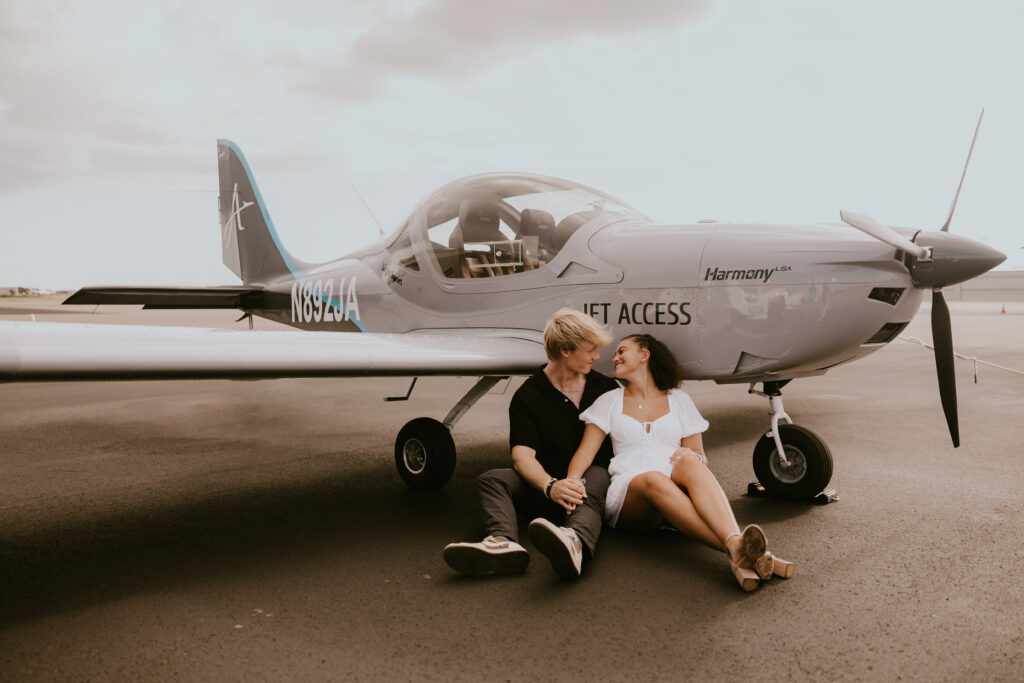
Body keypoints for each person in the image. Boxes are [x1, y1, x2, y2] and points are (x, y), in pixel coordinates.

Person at [566, 333, 794, 591]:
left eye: (622, 351)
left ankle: (736, 546)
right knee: (654, 478)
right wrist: (572, 480)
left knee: (690, 462)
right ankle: (737, 547)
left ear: (644, 354)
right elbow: (585, 453)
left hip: (675, 486)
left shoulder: (679, 400)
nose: (614, 358)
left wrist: (693, 456)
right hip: (631, 493)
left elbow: (699, 454)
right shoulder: (609, 401)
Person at [443, 308, 618, 579]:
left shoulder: (606, 388)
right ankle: (503, 542)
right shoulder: (528, 396)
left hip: (588, 485)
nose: (597, 356)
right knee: (492, 479)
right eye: (591, 350)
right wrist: (551, 486)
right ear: (565, 351)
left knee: (596, 474)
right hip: (545, 485)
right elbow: (522, 457)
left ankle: (575, 541)